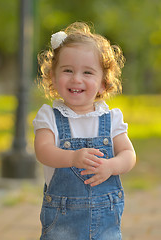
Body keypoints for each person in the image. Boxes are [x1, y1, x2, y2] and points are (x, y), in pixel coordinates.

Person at [33, 22, 136, 240]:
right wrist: (72, 157)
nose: (76, 78)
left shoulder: (112, 118)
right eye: (67, 70)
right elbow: (43, 151)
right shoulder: (49, 116)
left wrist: (111, 166)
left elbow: (129, 155)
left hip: (106, 222)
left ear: (103, 83)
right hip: (62, 222)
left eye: (88, 72)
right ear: (53, 76)